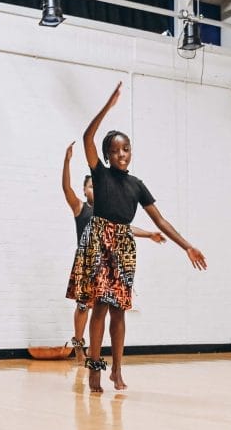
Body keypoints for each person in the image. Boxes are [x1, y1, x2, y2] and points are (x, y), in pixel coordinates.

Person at [67, 82, 207, 392]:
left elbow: (160, 219)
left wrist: (187, 246)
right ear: (106, 155)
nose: (121, 154)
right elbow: (88, 137)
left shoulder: (137, 184)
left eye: (126, 149)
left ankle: (117, 369)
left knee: (120, 309)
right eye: (115, 150)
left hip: (124, 247)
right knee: (100, 306)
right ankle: (95, 369)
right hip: (101, 241)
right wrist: (108, 106)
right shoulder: (100, 175)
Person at [61, 141, 165, 360]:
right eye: (90, 187)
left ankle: (96, 355)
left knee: (104, 306)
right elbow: (66, 189)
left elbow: (124, 230)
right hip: (89, 260)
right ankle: (79, 343)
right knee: (83, 306)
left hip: (108, 262)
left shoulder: (110, 210)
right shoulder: (81, 208)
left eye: (96, 187)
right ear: (85, 190)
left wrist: (149, 234)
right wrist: (67, 162)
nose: (94, 190)